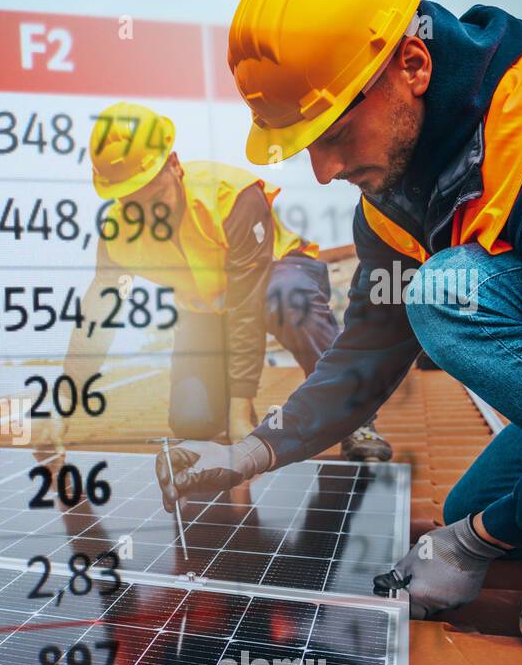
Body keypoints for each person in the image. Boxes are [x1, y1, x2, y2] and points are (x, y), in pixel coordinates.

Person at [161, 0, 522, 662]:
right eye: (303, 146)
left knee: (447, 294)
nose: (323, 173)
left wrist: (477, 545)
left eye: (334, 134)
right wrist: (254, 451)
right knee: (479, 501)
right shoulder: (393, 198)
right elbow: (366, 357)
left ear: (413, 65)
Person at [61, 101, 391, 459]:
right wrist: (64, 400)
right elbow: (99, 313)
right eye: (132, 203)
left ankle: (356, 419)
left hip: (277, 277)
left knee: (284, 299)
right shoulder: (119, 232)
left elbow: (245, 306)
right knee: (192, 422)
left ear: (174, 165)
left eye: (154, 197)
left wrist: (240, 408)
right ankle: (229, 407)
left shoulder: (230, 195)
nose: (147, 214)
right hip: (207, 309)